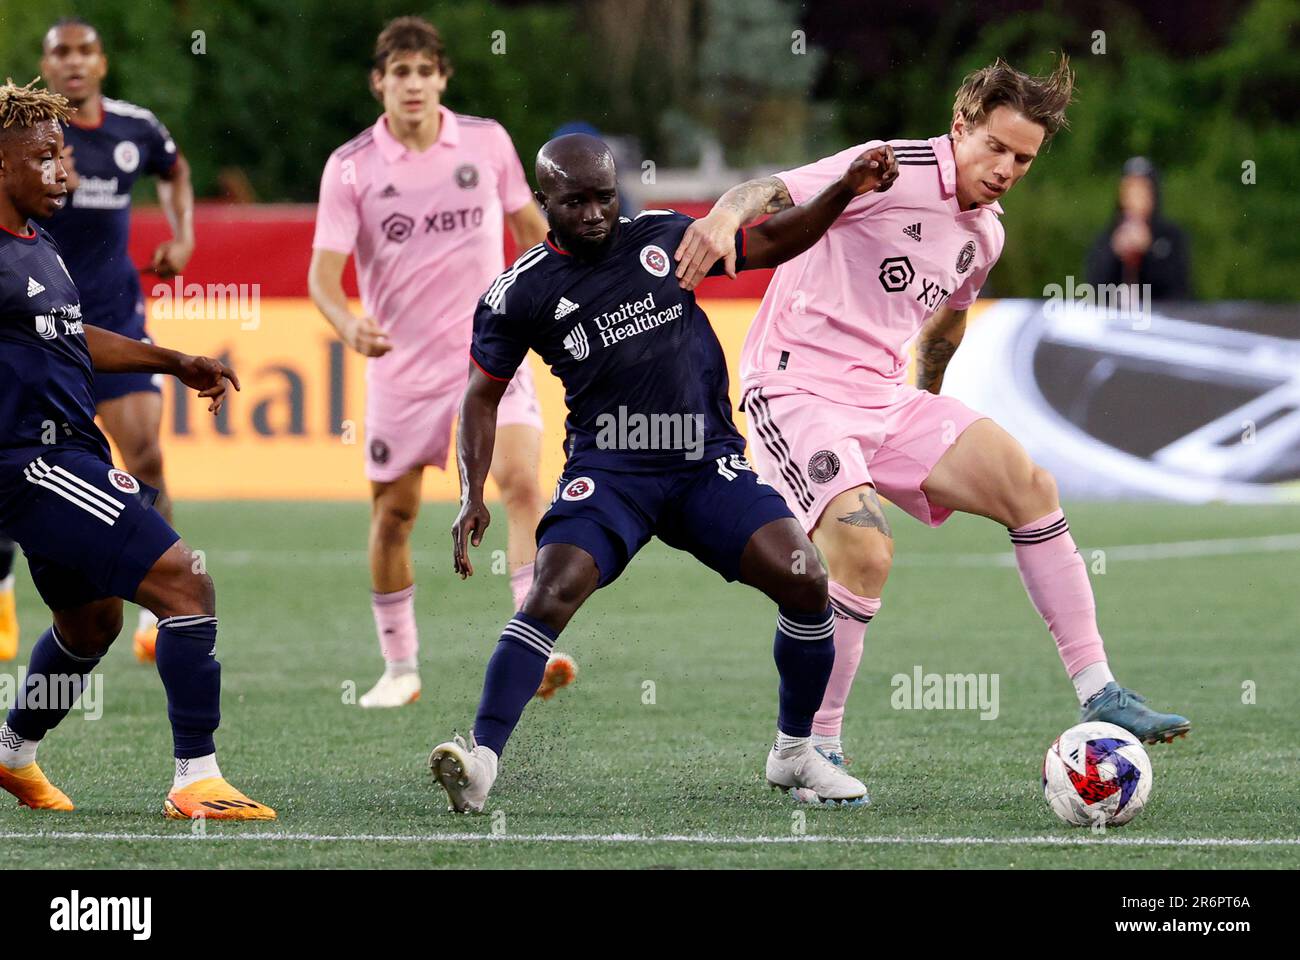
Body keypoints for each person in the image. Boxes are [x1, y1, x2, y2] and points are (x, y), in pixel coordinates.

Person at [674, 58, 1190, 790]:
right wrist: (726, 213)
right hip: (795, 388)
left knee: (1029, 484)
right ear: (961, 127)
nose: (1008, 168)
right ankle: (811, 750)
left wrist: (932, 410)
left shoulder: (986, 234)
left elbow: (946, 323)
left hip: (887, 399)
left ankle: (1099, 691)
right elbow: (774, 189)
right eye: (997, 149)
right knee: (865, 552)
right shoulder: (890, 168)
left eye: (1024, 159)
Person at [428, 132, 900, 813]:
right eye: (575, 202)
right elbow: (481, 394)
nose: (594, 213)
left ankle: (796, 754)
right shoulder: (519, 292)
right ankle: (480, 762)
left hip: (704, 463)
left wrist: (843, 190)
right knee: (552, 589)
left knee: (805, 577)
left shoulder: (665, 237)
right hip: (612, 471)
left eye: (604, 197)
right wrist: (473, 492)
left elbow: (771, 243)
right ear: (543, 203)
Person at [0, 79, 272, 819]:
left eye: (66, 154)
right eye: (47, 157)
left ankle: (12, 753)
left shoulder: (37, 245)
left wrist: (173, 360)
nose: (67, 171)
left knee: (94, 623)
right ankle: (197, 777)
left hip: (68, 452)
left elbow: (73, 338)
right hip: (32, 463)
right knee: (184, 581)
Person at [310, 16, 549, 708]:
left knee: (524, 485)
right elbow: (322, 278)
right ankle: (400, 667)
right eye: (399, 72)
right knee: (394, 515)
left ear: (442, 77)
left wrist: (554, 303)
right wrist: (348, 322)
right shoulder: (350, 166)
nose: (413, 84)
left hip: (489, 354)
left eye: (424, 71)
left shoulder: (486, 141)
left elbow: (532, 232)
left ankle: (533, 637)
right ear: (379, 83)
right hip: (401, 369)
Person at [35, 16, 196, 664]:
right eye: (60, 54)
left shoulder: (136, 127)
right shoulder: (30, 134)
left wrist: (183, 236)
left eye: (84, 52)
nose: (73, 63)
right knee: (32, 470)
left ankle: (166, 603)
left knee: (147, 458)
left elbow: (177, 172)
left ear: (101, 63)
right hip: (37, 328)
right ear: (45, 66)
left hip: (116, 319)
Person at [1085, 155, 1190, 299]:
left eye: (1141, 190)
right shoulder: (1107, 238)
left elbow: (1178, 290)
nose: (1134, 198)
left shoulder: (1170, 237)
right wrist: (1114, 254)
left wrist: (1148, 252)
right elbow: (1093, 289)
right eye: (1129, 189)